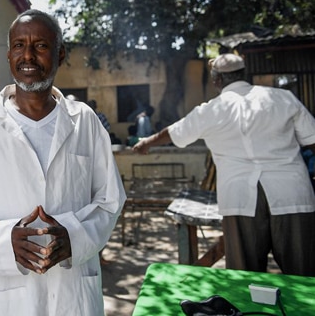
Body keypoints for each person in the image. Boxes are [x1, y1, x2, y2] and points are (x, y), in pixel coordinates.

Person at [0, 9, 126, 315]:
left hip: (70, 290)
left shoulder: (85, 122)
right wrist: (3, 241)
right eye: (20, 46)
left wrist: (75, 236)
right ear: (8, 55)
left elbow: (109, 201)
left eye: (40, 46)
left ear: (60, 53)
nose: (29, 56)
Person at [133, 53, 315, 276]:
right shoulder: (283, 98)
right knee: (303, 275)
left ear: (216, 80)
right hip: (293, 194)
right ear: (243, 74)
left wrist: (145, 144)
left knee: (244, 276)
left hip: (240, 198)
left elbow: (172, 132)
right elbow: (313, 140)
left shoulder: (210, 110)